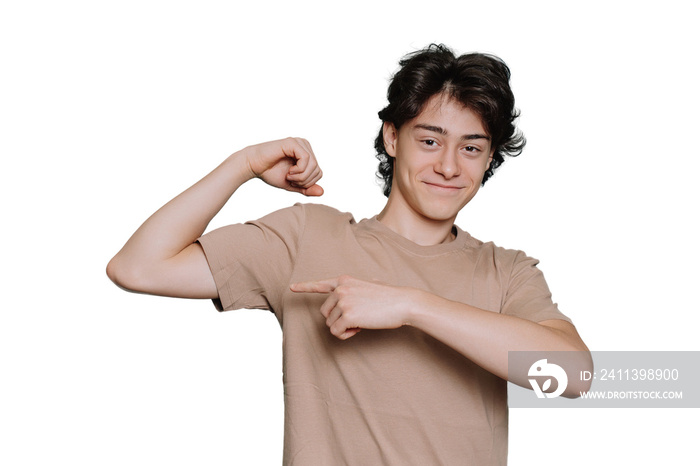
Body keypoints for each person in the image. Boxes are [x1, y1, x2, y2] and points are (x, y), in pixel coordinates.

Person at [107, 44, 591, 465]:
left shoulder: (506, 272)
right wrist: (244, 165)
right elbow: (138, 267)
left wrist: (411, 306)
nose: (448, 165)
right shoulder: (307, 237)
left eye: (471, 148)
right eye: (430, 140)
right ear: (392, 137)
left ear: (489, 159)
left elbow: (573, 375)